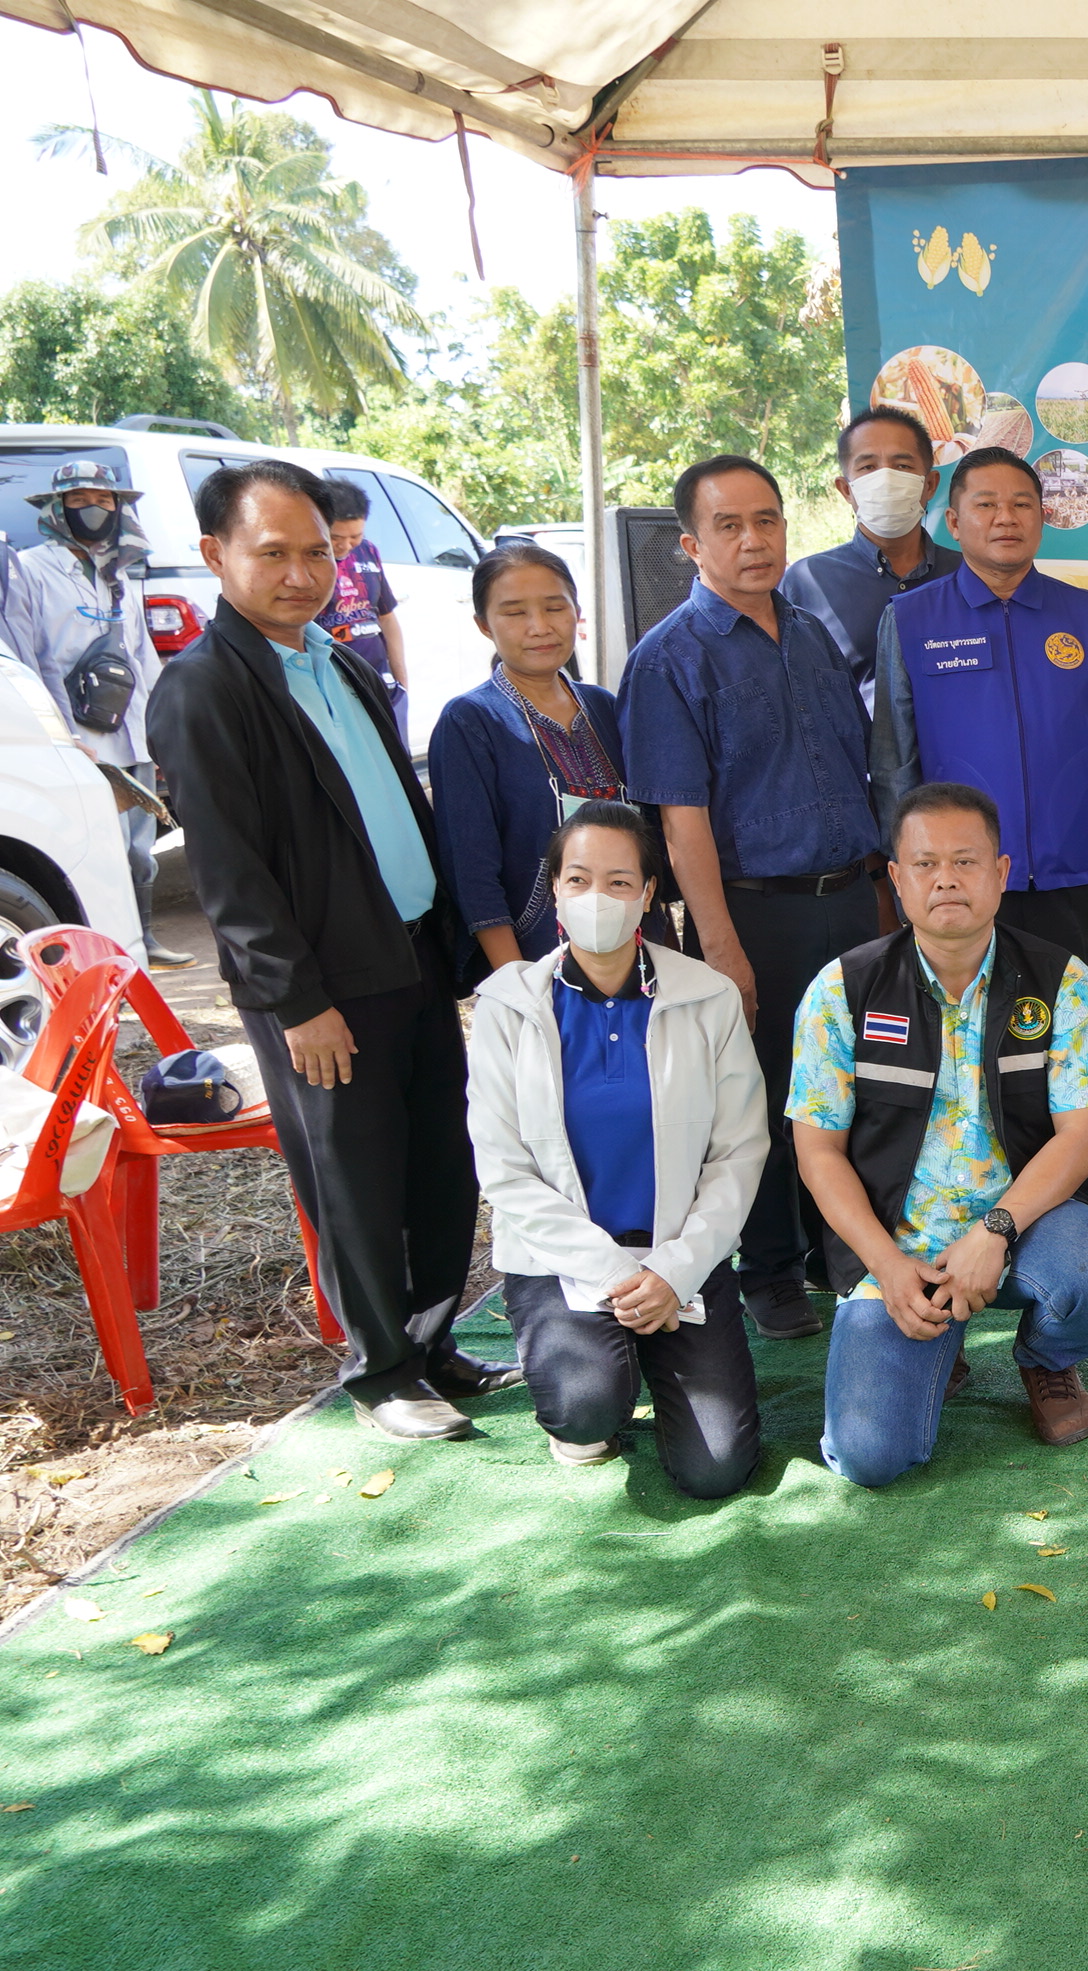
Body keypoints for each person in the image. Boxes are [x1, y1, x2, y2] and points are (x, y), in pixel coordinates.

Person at [147, 460, 518, 1440]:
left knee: (439, 1160)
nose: (301, 572)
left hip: (411, 961)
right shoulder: (203, 690)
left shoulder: (342, 660)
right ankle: (384, 1371)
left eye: (317, 551)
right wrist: (294, 999)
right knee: (352, 1180)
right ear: (215, 556)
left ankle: (434, 1341)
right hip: (322, 989)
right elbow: (228, 873)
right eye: (273, 552)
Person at [789, 782, 1088, 1480]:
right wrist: (887, 1269)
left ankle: (1047, 1361)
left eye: (965, 860)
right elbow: (817, 1151)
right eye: (924, 864)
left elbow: (1082, 1134)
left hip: (1022, 1229)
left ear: (1002, 873)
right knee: (869, 1457)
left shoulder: (1060, 980)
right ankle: (932, 1348)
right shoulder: (842, 990)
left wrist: (996, 1231)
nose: (946, 878)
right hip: (899, 1248)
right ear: (895, 878)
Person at [621, 453, 889, 1342]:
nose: (752, 541)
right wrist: (722, 946)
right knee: (767, 1096)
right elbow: (680, 820)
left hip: (850, 900)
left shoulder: (812, 633)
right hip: (754, 914)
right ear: (691, 545)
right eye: (728, 527)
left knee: (850, 1084)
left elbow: (857, 773)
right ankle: (770, 1269)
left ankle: (836, 1251)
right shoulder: (668, 661)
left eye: (766, 521)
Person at [466, 804, 766, 1495]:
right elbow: (503, 1169)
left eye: (620, 882)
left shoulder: (708, 998)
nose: (597, 897)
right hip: (561, 1258)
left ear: (649, 894)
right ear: (556, 890)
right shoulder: (509, 1006)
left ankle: (649, 1349)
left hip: (678, 1257)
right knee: (585, 1407)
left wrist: (672, 1272)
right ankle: (595, 1384)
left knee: (716, 1467)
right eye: (579, 879)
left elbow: (740, 1152)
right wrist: (612, 1275)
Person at [869, 446, 1088, 986]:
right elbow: (894, 763)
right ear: (953, 521)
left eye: (1021, 504)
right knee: (962, 1049)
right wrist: (910, 881)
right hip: (956, 885)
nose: (1005, 518)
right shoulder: (911, 619)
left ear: (1043, 517)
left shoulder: (1086, 615)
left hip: (1075, 880)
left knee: (1069, 1052)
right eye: (986, 504)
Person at [6, 458, 191, 965]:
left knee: (139, 850)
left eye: (104, 501)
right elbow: (25, 656)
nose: (93, 510)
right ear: (56, 508)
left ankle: (144, 941)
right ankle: (100, 954)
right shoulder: (29, 569)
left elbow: (141, 656)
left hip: (128, 732)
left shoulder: (119, 571)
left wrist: (161, 731)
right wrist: (57, 735)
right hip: (75, 736)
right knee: (92, 851)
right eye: (79, 501)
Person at [430, 544, 648, 968]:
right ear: (483, 625)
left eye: (554, 607)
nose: (539, 627)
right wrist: (516, 979)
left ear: (576, 611)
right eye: (514, 613)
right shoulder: (471, 721)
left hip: (636, 951)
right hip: (538, 954)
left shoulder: (604, 707)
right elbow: (471, 868)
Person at [784, 406, 960, 707]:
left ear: (930, 484)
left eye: (902, 466)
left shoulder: (967, 573)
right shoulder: (806, 583)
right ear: (846, 490)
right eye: (867, 467)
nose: (886, 479)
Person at [317, 479, 409, 741]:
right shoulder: (308, 562)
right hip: (334, 685)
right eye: (336, 538)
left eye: (355, 537)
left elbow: (387, 617)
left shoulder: (368, 552)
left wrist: (401, 679)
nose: (346, 546)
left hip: (380, 681)